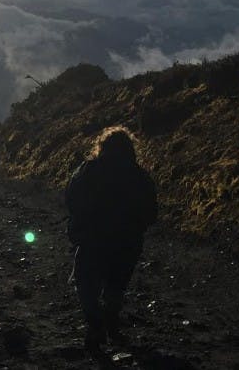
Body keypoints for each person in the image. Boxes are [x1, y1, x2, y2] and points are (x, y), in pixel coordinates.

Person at [65, 126, 157, 354]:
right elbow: (150, 212)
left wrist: (81, 224)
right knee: (116, 284)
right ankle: (111, 320)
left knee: (85, 283)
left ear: (101, 146)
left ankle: (95, 323)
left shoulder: (89, 170)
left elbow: (71, 197)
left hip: (92, 240)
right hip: (127, 243)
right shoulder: (140, 176)